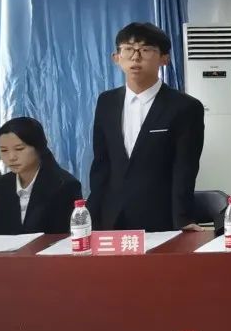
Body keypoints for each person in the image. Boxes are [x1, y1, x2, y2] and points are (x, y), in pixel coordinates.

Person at [88, 22, 205, 232]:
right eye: (128, 49)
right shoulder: (106, 102)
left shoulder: (185, 107)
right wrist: (92, 216)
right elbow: (101, 164)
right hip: (111, 217)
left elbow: (185, 169)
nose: (136, 57)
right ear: (116, 57)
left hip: (160, 217)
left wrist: (183, 219)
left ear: (164, 58)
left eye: (145, 50)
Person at [0, 117, 82, 235]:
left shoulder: (65, 185)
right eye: (4, 150)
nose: (11, 157)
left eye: (19, 149)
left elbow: (64, 235)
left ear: (39, 147)